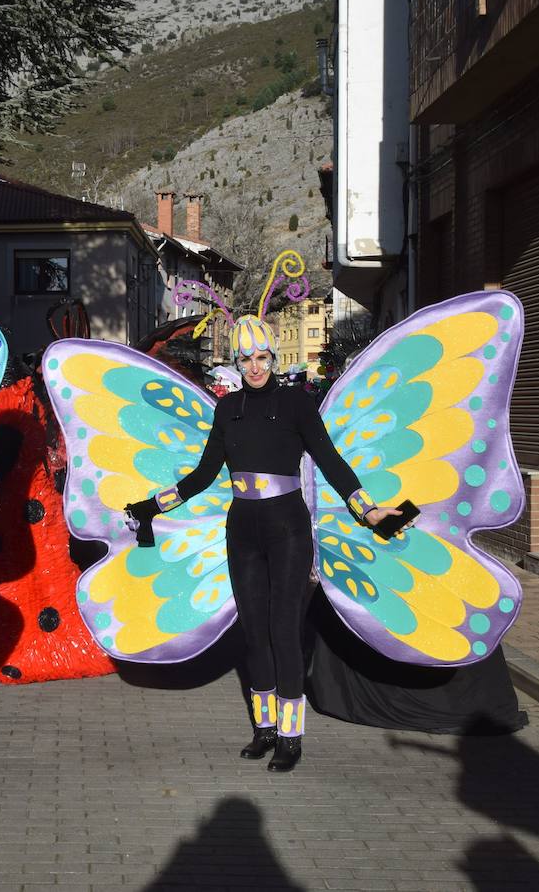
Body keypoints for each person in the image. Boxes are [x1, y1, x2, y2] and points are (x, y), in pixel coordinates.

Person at [125, 314, 400, 773]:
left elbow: (330, 461)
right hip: (243, 528)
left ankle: (291, 737)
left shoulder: (296, 403)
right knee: (253, 631)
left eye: (263, 357)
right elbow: (203, 474)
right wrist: (153, 505)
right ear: (236, 361)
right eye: (247, 358)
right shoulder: (227, 409)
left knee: (282, 629)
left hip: (287, 526)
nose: (256, 366)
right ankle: (265, 729)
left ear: (274, 356)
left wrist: (367, 509)